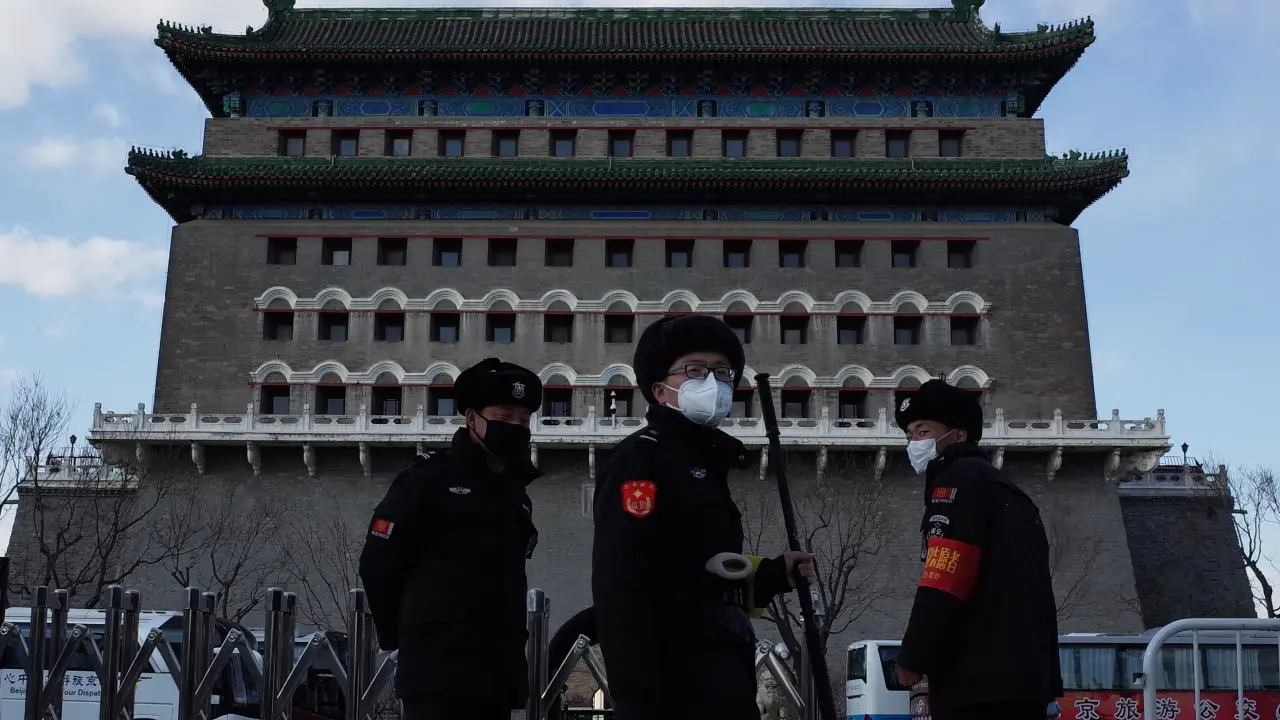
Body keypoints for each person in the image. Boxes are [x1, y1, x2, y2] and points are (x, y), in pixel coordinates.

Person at [591, 314, 816, 720]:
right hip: (673, 677)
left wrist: (771, 575)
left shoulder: (708, 462)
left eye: (721, 371)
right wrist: (637, 696)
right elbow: (623, 582)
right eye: (694, 370)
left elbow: (701, 569)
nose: (712, 382)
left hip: (725, 664)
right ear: (660, 390)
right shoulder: (641, 460)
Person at [358, 358, 544, 720]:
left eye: (523, 421)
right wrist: (399, 640)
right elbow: (378, 563)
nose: (516, 428)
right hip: (437, 673)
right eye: (504, 417)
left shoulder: (516, 496)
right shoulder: (426, 482)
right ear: (472, 418)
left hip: (497, 676)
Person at [892, 379, 1064, 720]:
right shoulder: (1006, 488)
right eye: (910, 434)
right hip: (1024, 676)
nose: (915, 443)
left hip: (977, 679)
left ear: (958, 434)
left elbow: (946, 575)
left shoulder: (956, 481)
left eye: (923, 431)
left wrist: (914, 654)